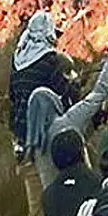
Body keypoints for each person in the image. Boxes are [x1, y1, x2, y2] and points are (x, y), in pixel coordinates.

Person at [19, 38, 108, 216]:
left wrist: (91, 127)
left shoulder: (35, 144)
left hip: (55, 211)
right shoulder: (66, 122)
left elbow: (69, 145)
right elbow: (99, 92)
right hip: (82, 199)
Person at [9, 11, 79, 159]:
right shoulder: (51, 61)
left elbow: (12, 96)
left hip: (20, 135)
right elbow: (65, 97)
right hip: (43, 137)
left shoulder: (17, 61)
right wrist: (75, 84)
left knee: (30, 178)